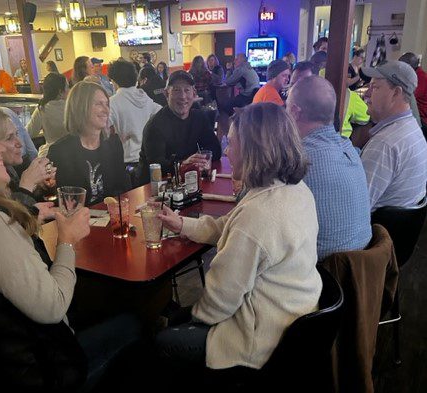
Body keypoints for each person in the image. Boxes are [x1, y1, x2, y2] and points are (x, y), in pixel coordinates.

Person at [0, 111, 142, 392]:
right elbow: (53, 306)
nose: (0, 148)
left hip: (2, 358)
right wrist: (67, 240)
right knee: (134, 324)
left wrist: (26, 222)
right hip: (43, 372)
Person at [155, 103, 321, 375]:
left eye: (231, 144)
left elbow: (219, 302)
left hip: (259, 339)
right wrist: (181, 223)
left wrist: (189, 319)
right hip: (295, 315)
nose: (227, 152)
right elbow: (228, 227)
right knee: (176, 315)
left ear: (255, 151)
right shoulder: (296, 190)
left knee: (163, 340)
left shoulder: (258, 215)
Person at [286, 76, 372, 259]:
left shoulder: (297, 159)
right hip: (364, 267)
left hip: (321, 271)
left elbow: (256, 209)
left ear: (294, 112)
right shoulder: (349, 149)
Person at [48, 81, 130, 205]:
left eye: (107, 104)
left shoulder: (114, 144)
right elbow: (63, 201)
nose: (106, 110)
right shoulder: (60, 151)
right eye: (99, 104)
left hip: (112, 217)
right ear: (80, 107)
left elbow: (122, 189)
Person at [360, 60, 427, 211]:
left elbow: (357, 209)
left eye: (375, 87)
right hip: (402, 231)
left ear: (396, 93)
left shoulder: (385, 144)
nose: (366, 93)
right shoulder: (413, 128)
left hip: (379, 230)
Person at [0, 104, 56, 212]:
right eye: (9, 138)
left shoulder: (8, 169)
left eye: (17, 134)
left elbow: (24, 208)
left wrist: (39, 187)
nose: (20, 143)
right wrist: (26, 185)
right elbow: (12, 223)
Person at [137, 70, 222, 182]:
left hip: (187, 182)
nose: (183, 96)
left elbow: (215, 150)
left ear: (194, 93)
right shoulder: (155, 125)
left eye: (187, 90)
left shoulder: (199, 118)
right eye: (176, 90)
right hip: (154, 188)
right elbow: (156, 165)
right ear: (166, 94)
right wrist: (183, 164)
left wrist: (199, 160)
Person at [108, 60, 162, 166]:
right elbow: (162, 112)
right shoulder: (144, 97)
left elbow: (104, 129)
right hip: (148, 156)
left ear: (114, 81)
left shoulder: (112, 102)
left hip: (127, 159)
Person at [27, 72, 69, 157]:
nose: (69, 90)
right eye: (67, 87)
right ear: (60, 92)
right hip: (72, 153)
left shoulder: (42, 109)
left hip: (50, 154)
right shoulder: (72, 107)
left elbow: (29, 133)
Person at [399, 52, 427, 134]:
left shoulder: (421, 78)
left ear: (408, 67)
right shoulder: (417, 75)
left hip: (423, 120)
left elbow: (408, 96)